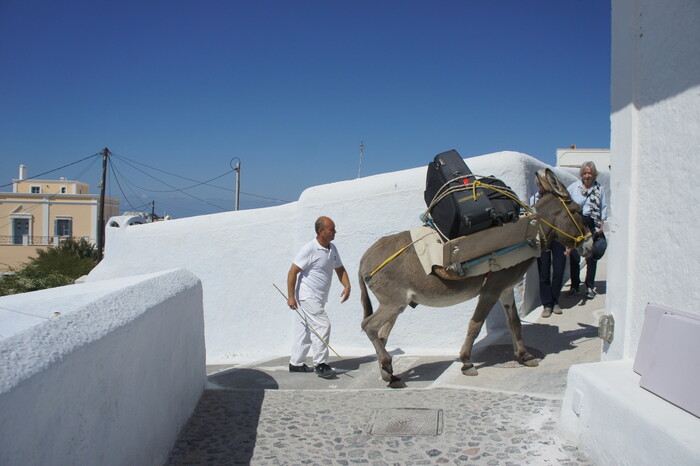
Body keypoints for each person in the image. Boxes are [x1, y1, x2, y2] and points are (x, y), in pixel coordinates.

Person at [287, 216, 351, 378]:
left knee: (307, 329)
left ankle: (296, 363)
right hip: (307, 296)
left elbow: (340, 269)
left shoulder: (332, 248)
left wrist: (347, 286)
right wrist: (291, 297)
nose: (335, 232)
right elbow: (293, 272)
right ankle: (321, 364)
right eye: (332, 229)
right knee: (323, 325)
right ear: (321, 231)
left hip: (320, 297)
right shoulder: (309, 249)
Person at [566, 161, 608, 300]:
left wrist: (601, 224)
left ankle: (589, 285)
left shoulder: (599, 189)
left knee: (591, 256)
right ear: (581, 174)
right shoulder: (574, 187)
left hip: (592, 224)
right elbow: (567, 205)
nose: (587, 175)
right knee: (574, 256)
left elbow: (603, 207)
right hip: (577, 224)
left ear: (594, 174)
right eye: (585, 173)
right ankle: (575, 286)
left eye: (589, 173)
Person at [530, 177, 566, 318]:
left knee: (558, 270)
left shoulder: (558, 198)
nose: (542, 185)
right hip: (544, 239)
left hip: (558, 238)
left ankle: (556, 300)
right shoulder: (534, 199)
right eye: (539, 183)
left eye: (544, 183)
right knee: (543, 272)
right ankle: (547, 304)